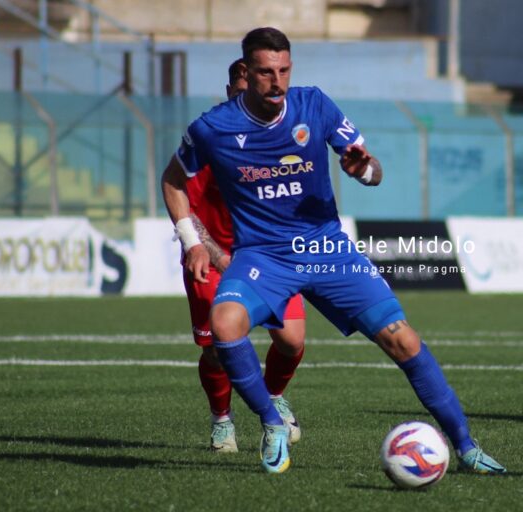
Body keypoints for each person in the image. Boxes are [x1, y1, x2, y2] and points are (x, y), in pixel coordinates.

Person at [162, 27, 506, 475]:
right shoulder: (213, 128)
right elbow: (172, 181)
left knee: (403, 339)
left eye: (285, 70)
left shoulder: (315, 105)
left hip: (326, 248)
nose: (278, 82)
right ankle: (272, 422)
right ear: (246, 72)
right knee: (224, 326)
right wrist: (193, 241)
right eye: (266, 72)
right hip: (263, 254)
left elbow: (373, 168)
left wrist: (364, 171)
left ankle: (466, 448)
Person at [179, 58, 305, 453]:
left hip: (270, 257)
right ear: (232, 91)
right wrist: (212, 254)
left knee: (292, 340)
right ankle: (222, 421)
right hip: (216, 260)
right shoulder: (212, 137)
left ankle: (271, 396)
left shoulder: (277, 134)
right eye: (240, 91)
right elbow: (184, 203)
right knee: (218, 350)